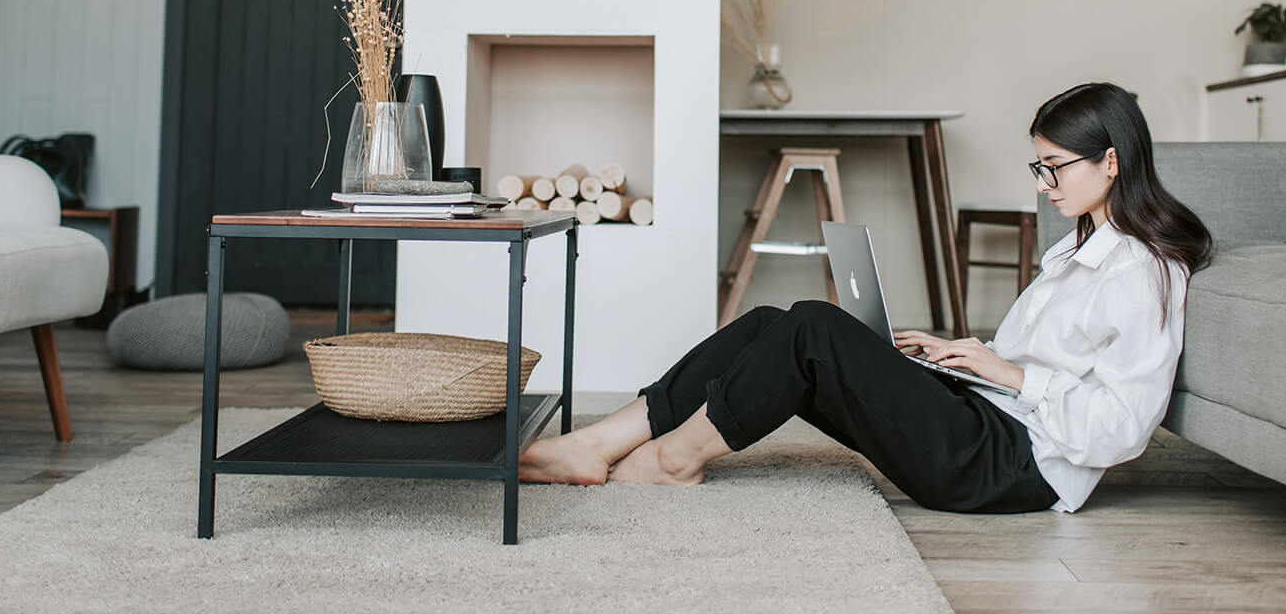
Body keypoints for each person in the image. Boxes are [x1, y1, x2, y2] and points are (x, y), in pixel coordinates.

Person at [519, 82, 1214, 514]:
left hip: (1012, 467)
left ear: (1111, 161)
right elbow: (1044, 364)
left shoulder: (1143, 273)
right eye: (1039, 166)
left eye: (1053, 166)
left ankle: (674, 460)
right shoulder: (1077, 248)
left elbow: (1122, 429)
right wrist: (968, 355)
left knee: (813, 330)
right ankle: (601, 440)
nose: (1042, 183)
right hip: (985, 418)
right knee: (772, 321)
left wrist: (1006, 371)